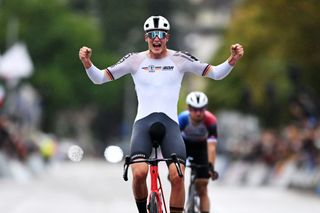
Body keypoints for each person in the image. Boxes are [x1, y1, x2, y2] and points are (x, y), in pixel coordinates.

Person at [79, 15, 244, 213]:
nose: (156, 38)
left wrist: (232, 60)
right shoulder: (134, 60)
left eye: (161, 35)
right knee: (139, 173)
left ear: (167, 37)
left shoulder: (180, 59)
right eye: (152, 35)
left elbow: (216, 73)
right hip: (143, 125)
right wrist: (88, 63)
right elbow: (99, 78)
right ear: (145, 38)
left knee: (177, 176)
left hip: (170, 126)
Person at [178, 91, 219, 213]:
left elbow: (211, 146)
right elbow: (175, 141)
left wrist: (210, 167)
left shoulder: (210, 120)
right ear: (189, 109)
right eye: (194, 109)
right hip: (184, 145)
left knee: (203, 187)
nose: (198, 113)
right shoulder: (182, 118)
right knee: (178, 177)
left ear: (205, 109)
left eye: (201, 110)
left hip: (201, 147)